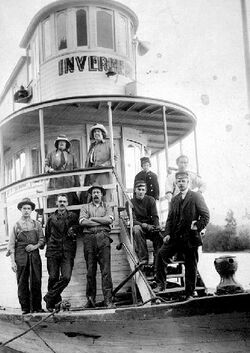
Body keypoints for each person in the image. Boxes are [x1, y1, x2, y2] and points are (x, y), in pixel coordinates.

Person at [156, 171, 210, 299]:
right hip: (175, 238)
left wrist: (196, 227)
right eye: (178, 181)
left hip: (190, 238)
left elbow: (206, 216)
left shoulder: (196, 196)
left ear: (188, 182)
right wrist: (167, 234)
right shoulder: (174, 200)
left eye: (183, 181)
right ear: (175, 183)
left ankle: (189, 293)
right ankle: (161, 285)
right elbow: (169, 219)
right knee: (161, 254)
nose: (180, 183)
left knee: (191, 265)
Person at [79, 184, 115, 308]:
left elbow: (109, 220)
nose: (95, 194)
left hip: (103, 238)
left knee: (106, 271)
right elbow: (82, 221)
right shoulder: (85, 207)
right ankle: (90, 300)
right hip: (89, 239)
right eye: (93, 192)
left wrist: (93, 218)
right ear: (91, 194)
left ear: (101, 194)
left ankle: (108, 300)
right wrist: (100, 219)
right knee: (90, 271)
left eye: (98, 192)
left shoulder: (107, 206)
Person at [7, 198, 45, 314]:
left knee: (36, 280)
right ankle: (25, 308)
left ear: (32, 210)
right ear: (20, 209)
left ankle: (37, 307)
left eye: (29, 208)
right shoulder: (16, 226)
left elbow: (42, 240)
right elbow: (11, 245)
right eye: (24, 208)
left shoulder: (37, 224)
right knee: (22, 281)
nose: (27, 211)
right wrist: (13, 262)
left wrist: (34, 246)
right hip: (21, 256)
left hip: (34, 255)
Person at [43, 194, 80, 312]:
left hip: (67, 251)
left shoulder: (73, 216)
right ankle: (52, 304)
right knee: (53, 277)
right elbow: (47, 234)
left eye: (64, 201)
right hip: (53, 251)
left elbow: (78, 228)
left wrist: (73, 229)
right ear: (56, 203)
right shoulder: (51, 218)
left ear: (67, 204)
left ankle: (49, 296)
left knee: (66, 277)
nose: (62, 203)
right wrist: (52, 244)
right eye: (60, 201)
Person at [127, 180, 163, 272]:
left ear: (145, 191)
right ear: (135, 190)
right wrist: (145, 225)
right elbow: (133, 220)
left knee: (159, 236)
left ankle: (157, 264)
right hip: (140, 227)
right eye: (139, 189)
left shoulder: (151, 200)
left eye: (143, 189)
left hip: (150, 227)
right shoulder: (130, 203)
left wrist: (157, 226)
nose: (141, 192)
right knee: (136, 229)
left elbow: (155, 216)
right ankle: (143, 259)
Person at [80, 124, 113, 203]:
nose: (96, 133)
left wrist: (104, 165)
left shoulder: (108, 145)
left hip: (103, 176)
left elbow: (114, 159)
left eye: (98, 131)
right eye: (94, 132)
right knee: (91, 198)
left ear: (102, 133)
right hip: (92, 177)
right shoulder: (92, 146)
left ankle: (108, 214)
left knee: (104, 197)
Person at [45, 134, 80, 207]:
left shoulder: (71, 155)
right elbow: (46, 165)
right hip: (55, 184)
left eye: (63, 142)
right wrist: (49, 169)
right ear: (57, 144)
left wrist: (77, 184)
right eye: (59, 141)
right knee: (55, 204)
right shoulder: (51, 154)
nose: (61, 143)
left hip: (69, 184)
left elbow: (76, 170)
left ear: (66, 144)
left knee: (70, 204)